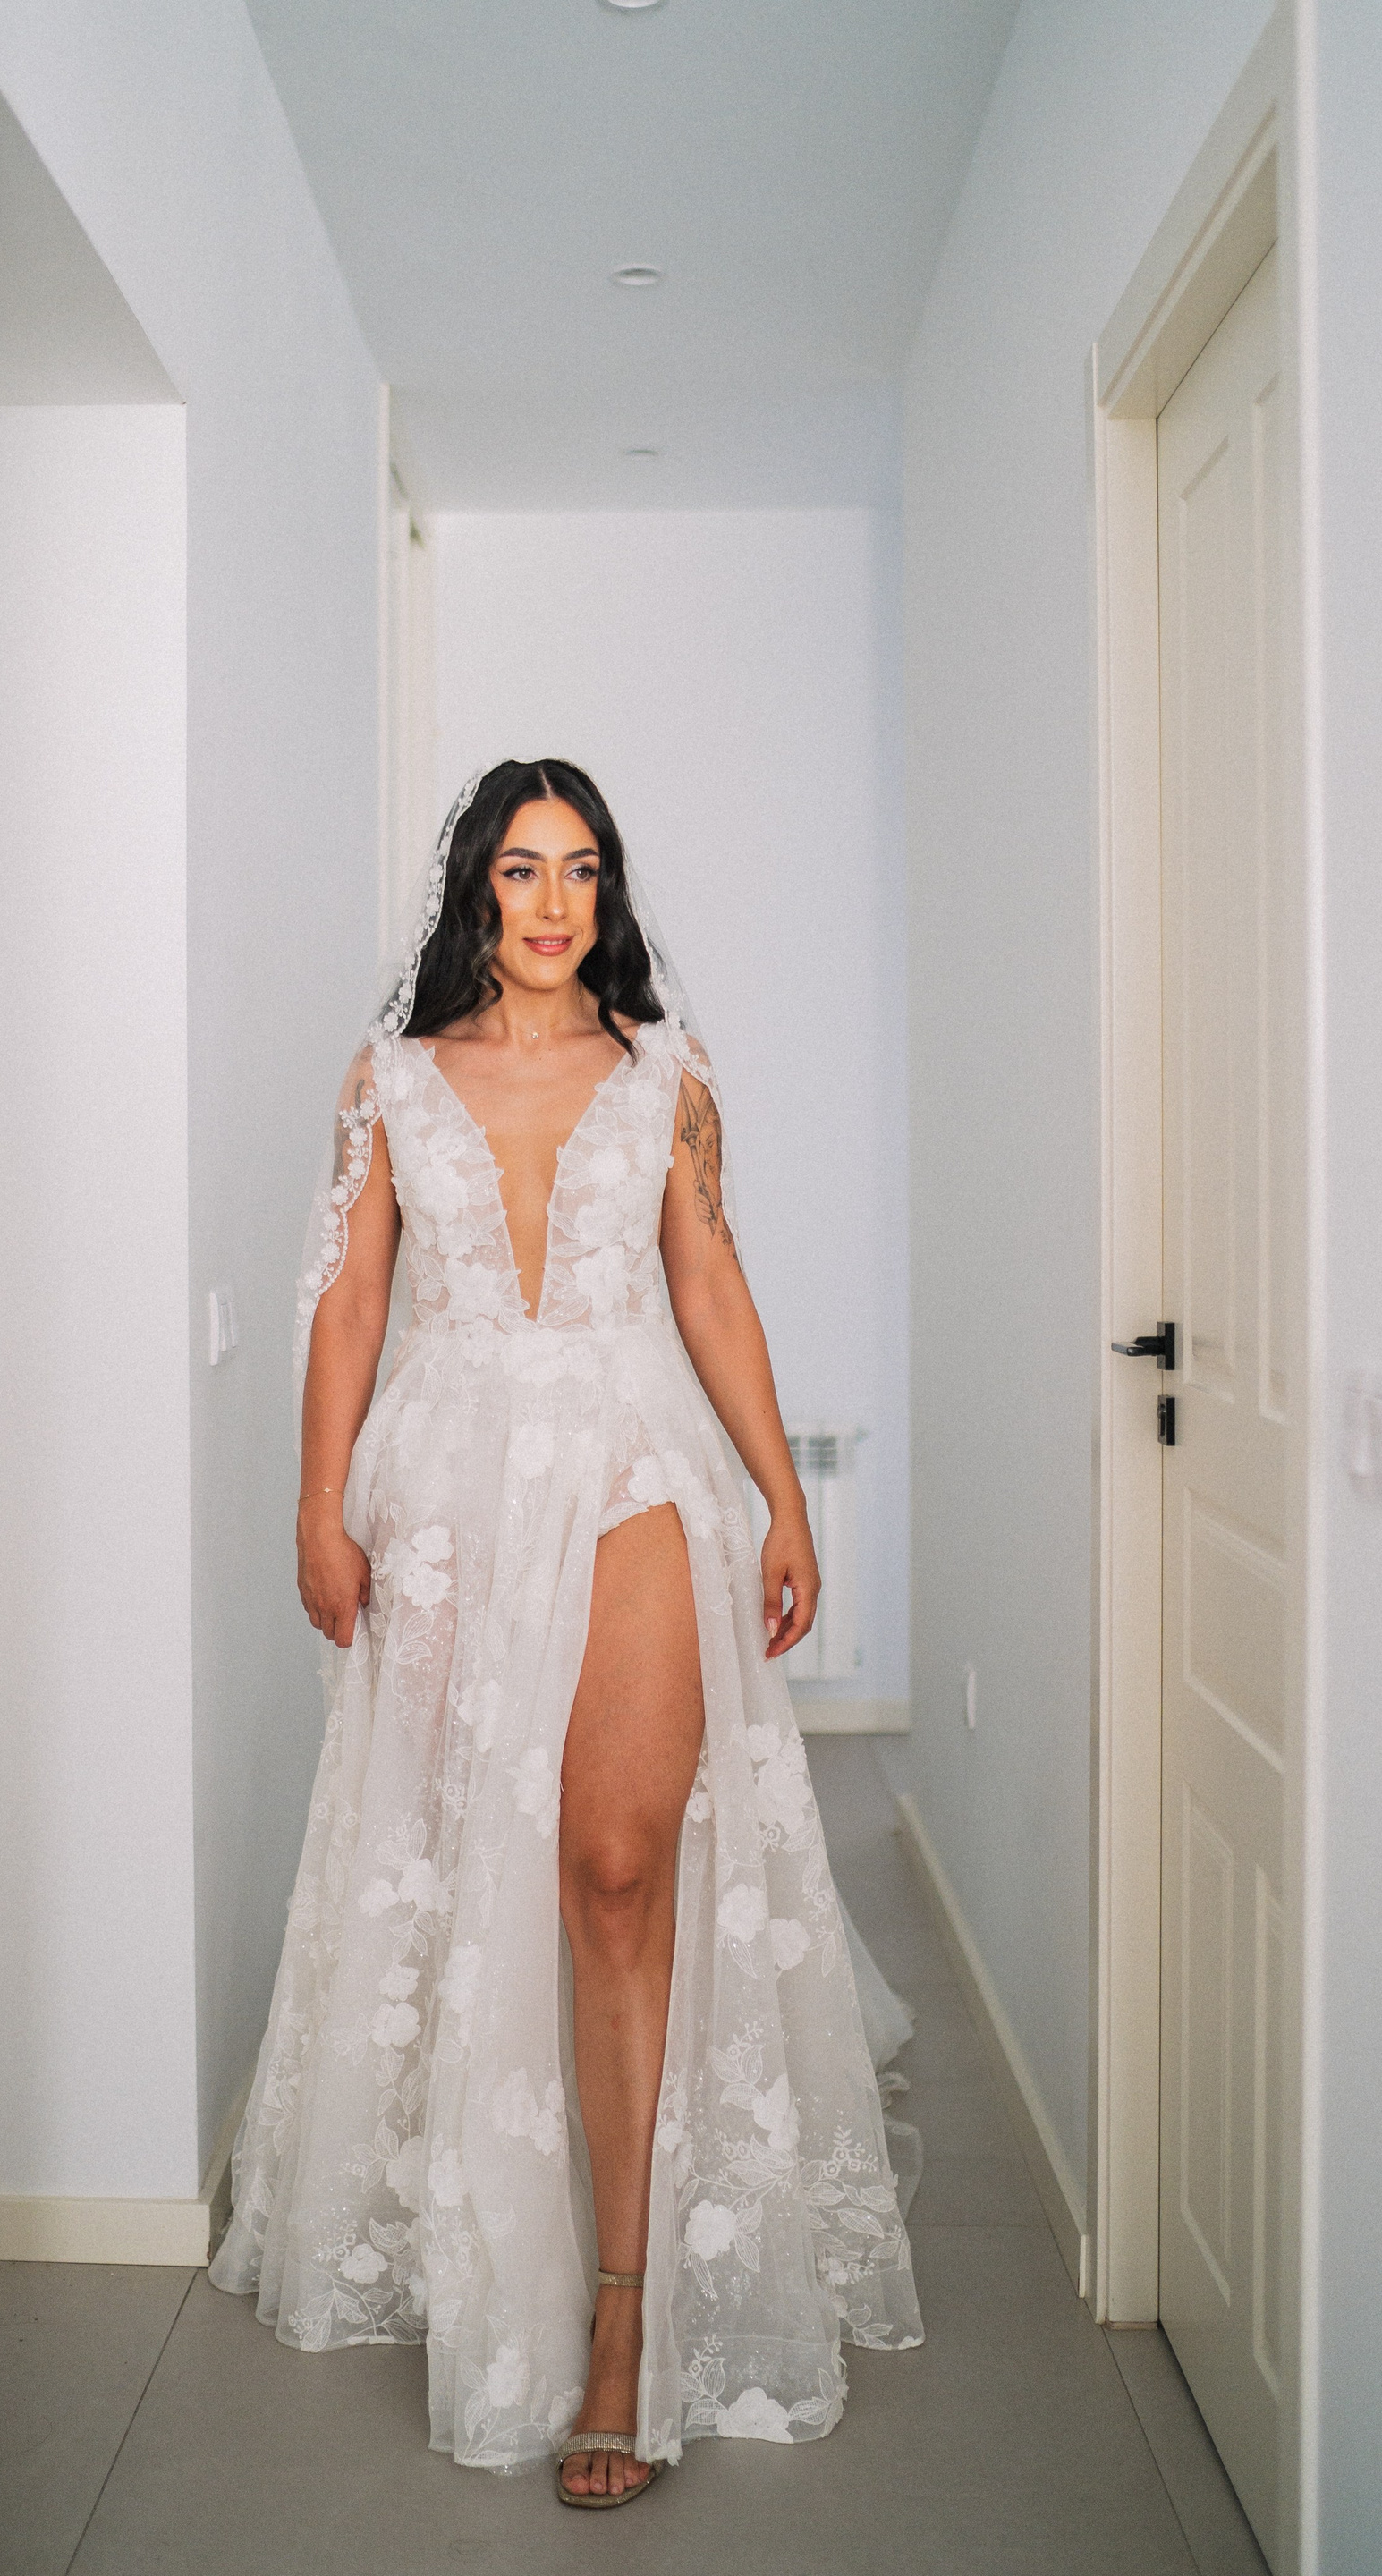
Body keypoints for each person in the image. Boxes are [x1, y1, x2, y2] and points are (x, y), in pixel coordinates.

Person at [209, 760, 921, 2506]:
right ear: (477, 891)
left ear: (607, 896)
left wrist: (785, 1496)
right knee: (483, 1864)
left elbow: (710, 1281)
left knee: (616, 1866)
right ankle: (498, 2228)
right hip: (448, 1489)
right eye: (522, 871)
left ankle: (624, 2311)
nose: (553, 902)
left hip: (632, 1463)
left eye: (581, 870)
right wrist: (317, 1507)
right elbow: (349, 1301)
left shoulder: (666, 1074)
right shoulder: (391, 1081)